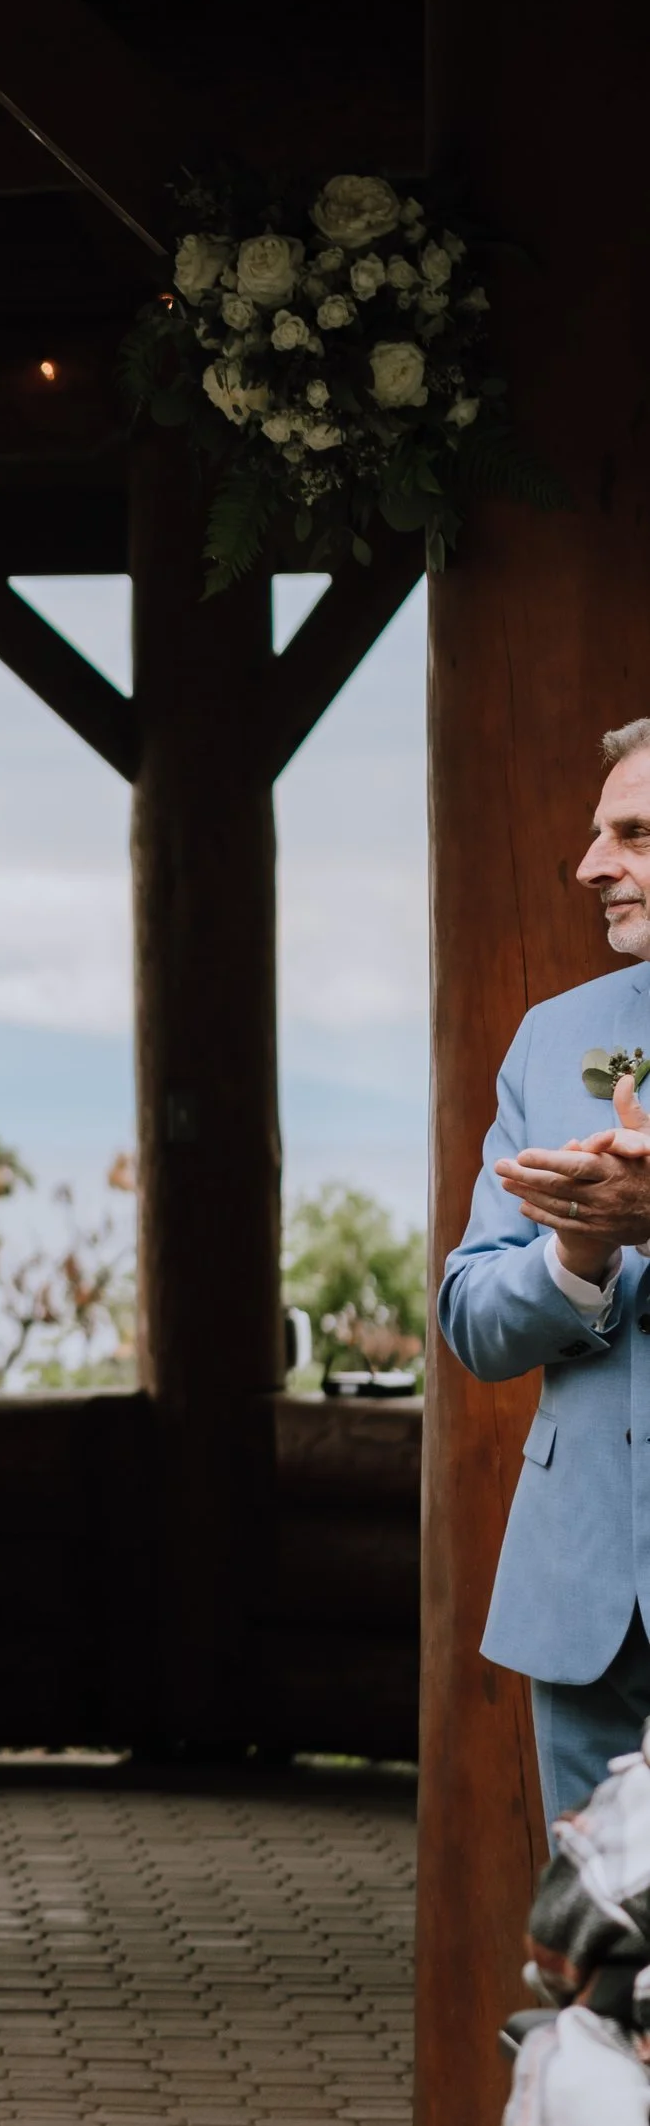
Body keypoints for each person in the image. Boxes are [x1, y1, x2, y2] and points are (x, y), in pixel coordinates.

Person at [439, 716, 650, 1827]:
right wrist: (575, 1253)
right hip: (584, 1601)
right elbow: (471, 1314)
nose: (591, 867)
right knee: (594, 1964)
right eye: (595, 834)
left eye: (634, 835)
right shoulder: (552, 1034)